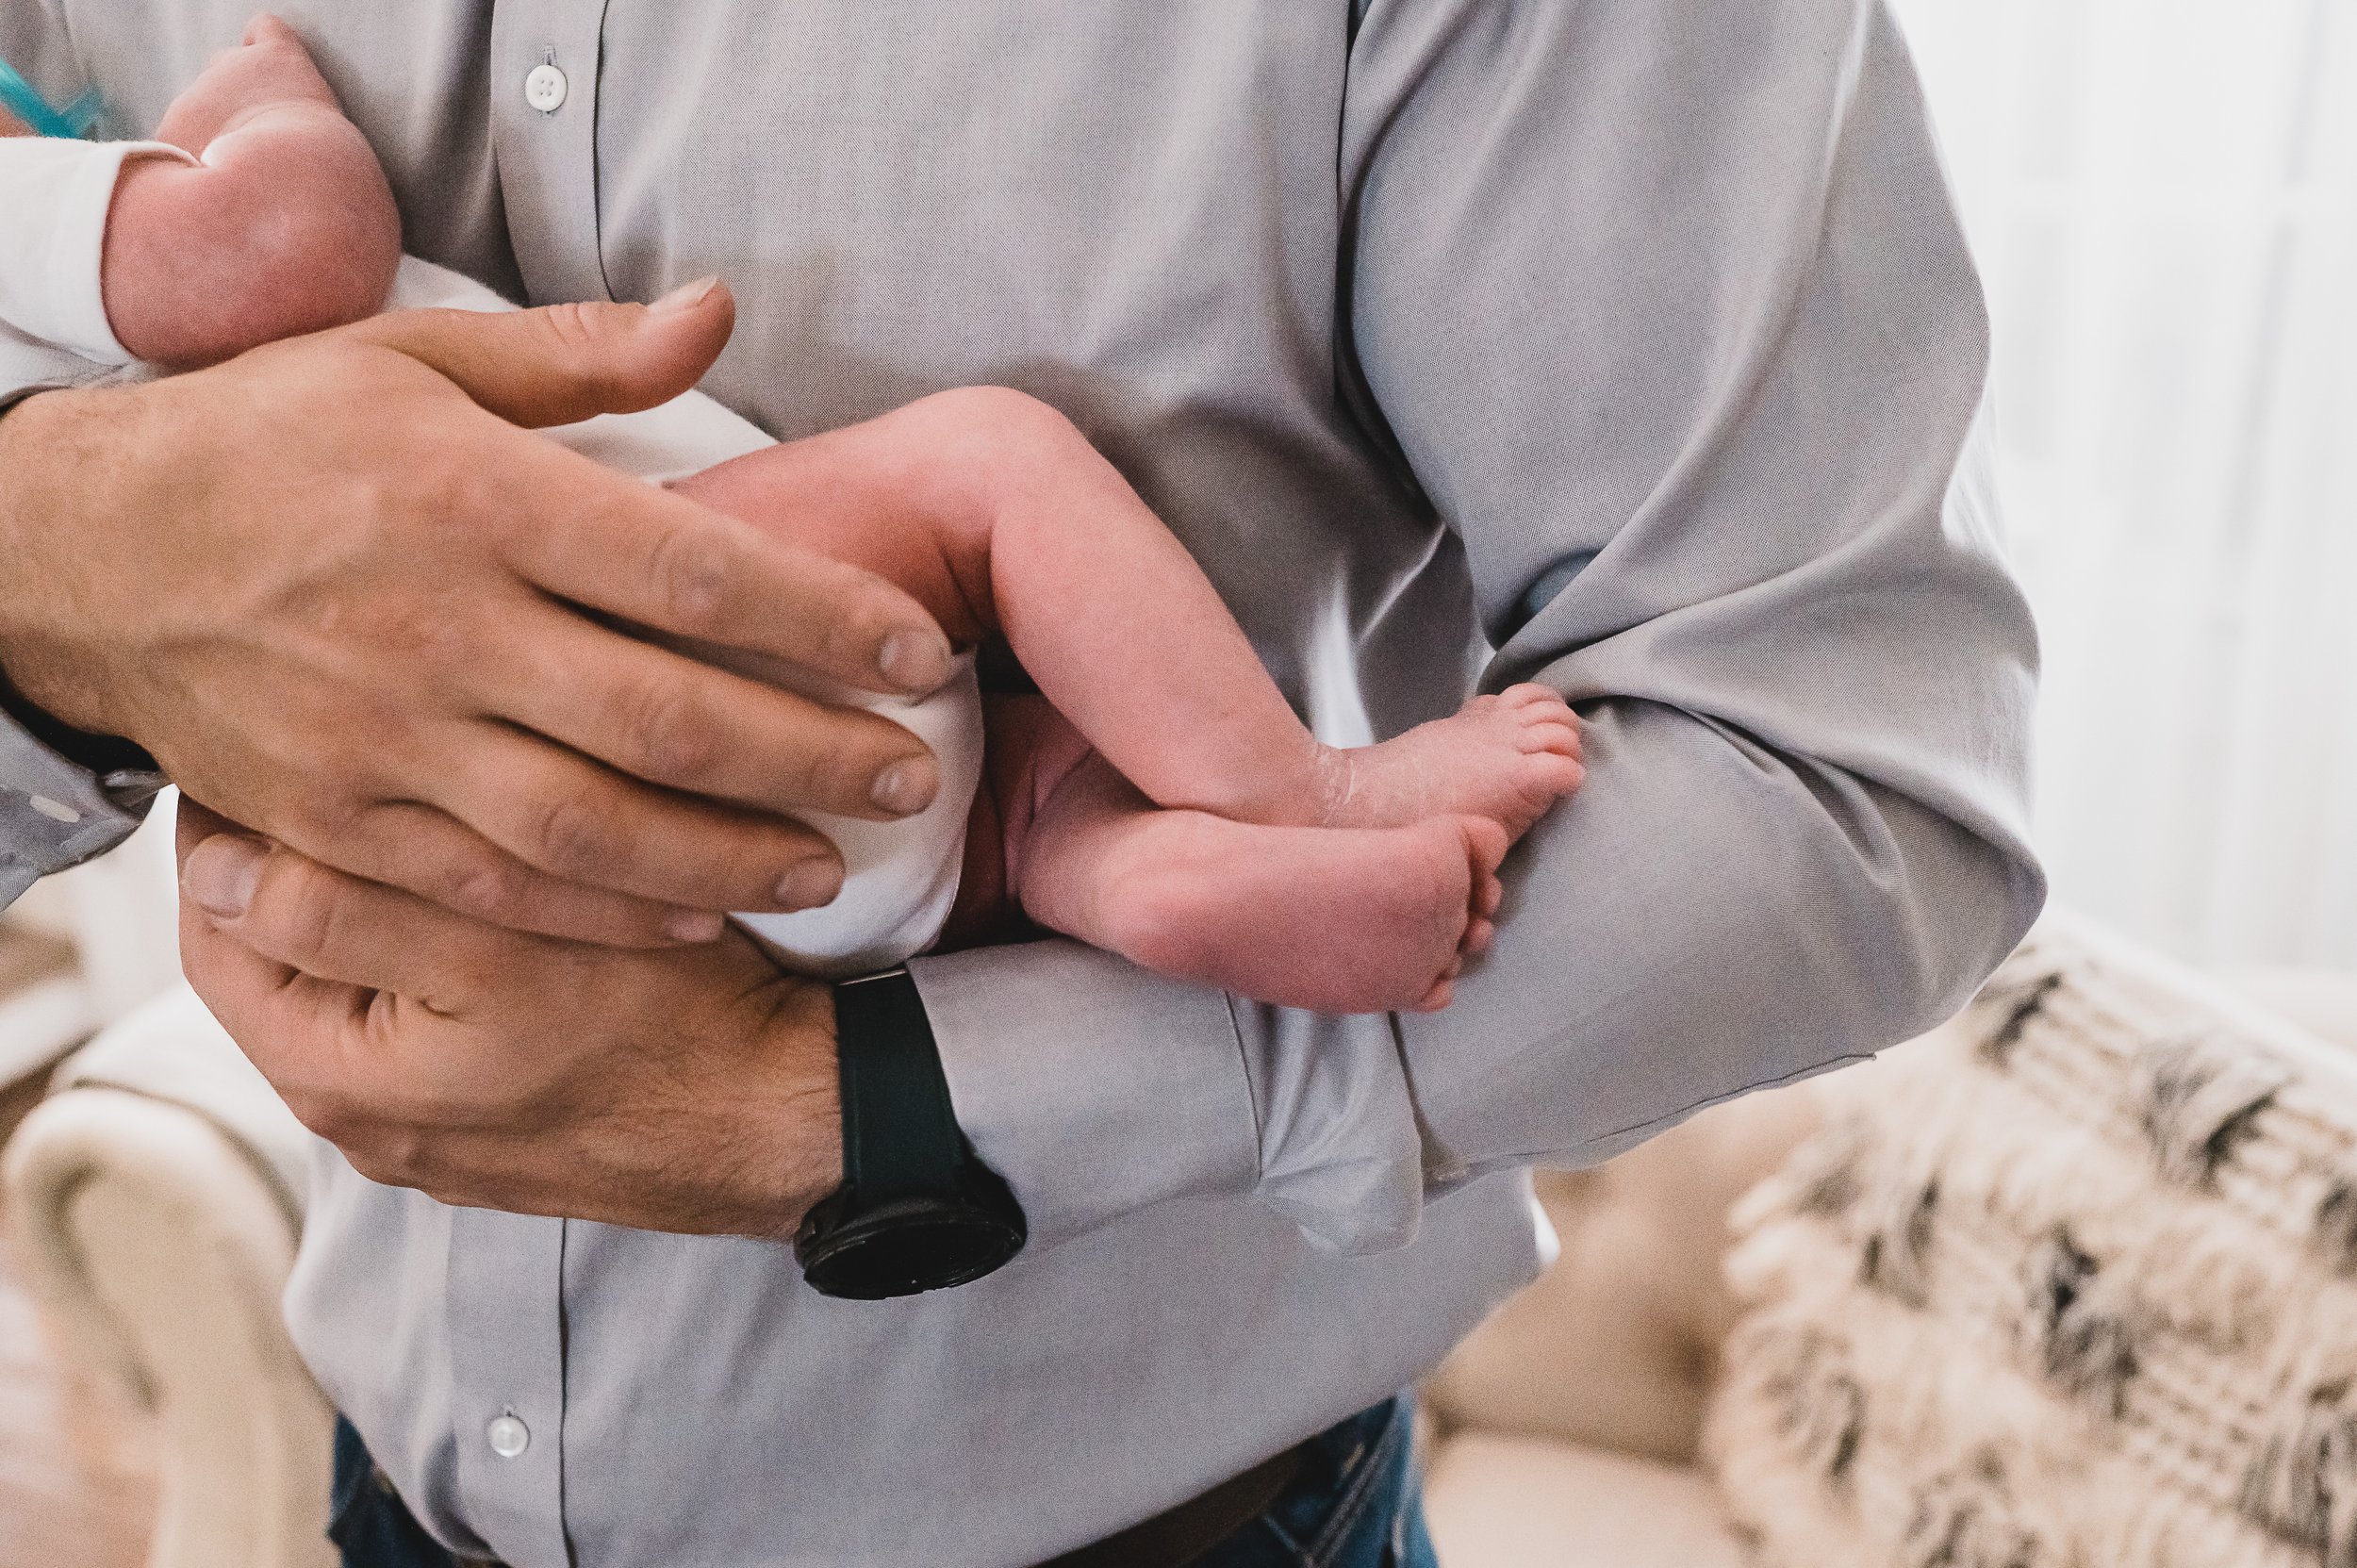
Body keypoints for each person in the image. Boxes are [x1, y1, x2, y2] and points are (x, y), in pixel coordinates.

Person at [0, 4, 2047, 1565]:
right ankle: (1231, 819)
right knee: (998, 559)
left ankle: (1185, 843)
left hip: (1163, 1511)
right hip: (426, 1447)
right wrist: (56, 561)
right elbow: (269, 219)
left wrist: (862, 1110)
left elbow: (1848, 784)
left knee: (974, 640)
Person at [4, 17, 1588, 1015]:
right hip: (665, 624)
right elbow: (278, 244)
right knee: (989, 475)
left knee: (1002, 814)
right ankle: (1298, 793)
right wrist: (261, 92)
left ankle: (1115, 872)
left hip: (656, 892)